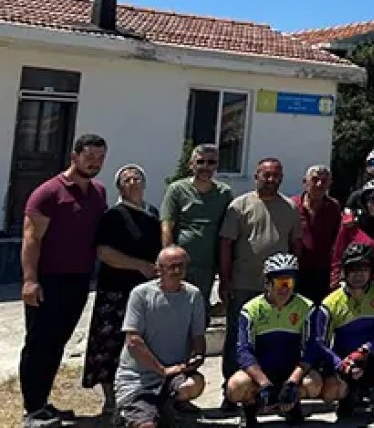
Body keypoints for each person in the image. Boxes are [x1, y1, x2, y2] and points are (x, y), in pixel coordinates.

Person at [20, 133, 108, 427]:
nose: (95, 163)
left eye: (100, 158)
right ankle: (31, 410)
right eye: (89, 156)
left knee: (57, 343)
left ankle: (43, 404)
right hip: (48, 281)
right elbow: (31, 239)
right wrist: (30, 280)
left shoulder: (98, 193)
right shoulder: (48, 193)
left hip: (79, 280)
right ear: (74, 156)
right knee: (38, 344)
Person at [218, 158, 303, 408]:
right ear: (256, 176)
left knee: (276, 338)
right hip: (245, 282)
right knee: (237, 338)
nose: (271, 179)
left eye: (276, 175)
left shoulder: (289, 207)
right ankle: (231, 391)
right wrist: (225, 279)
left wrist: (294, 279)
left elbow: (296, 243)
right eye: (266, 175)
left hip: (281, 288)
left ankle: (273, 391)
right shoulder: (240, 205)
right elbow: (226, 244)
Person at [83, 164, 163, 415]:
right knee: (111, 343)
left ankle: (142, 392)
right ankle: (110, 398)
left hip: (145, 290)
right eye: (126, 179)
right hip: (116, 289)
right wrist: (139, 266)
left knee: (142, 341)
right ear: (120, 186)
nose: (132, 182)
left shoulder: (152, 213)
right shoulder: (113, 215)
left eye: (136, 177)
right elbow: (104, 252)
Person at [311, 244, 374, 427]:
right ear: (344, 272)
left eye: (364, 268)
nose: (358, 274)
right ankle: (348, 397)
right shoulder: (330, 303)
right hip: (346, 362)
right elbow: (320, 342)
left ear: (372, 270)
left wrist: (366, 350)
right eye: (353, 269)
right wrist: (342, 364)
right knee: (330, 393)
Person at [113, 247, 207, 428]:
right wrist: (161, 370)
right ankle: (131, 413)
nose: (177, 271)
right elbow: (133, 341)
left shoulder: (193, 295)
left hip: (174, 374)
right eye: (171, 267)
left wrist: (198, 356)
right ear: (159, 269)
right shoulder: (141, 294)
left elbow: (197, 335)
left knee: (194, 384)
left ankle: (168, 406)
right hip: (139, 378)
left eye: (181, 266)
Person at [225, 253, 321, 426]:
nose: (284, 288)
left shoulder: (306, 307)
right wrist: (263, 383)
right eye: (279, 283)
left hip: (291, 370)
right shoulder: (251, 309)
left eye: (289, 282)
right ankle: (250, 409)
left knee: (314, 384)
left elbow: (312, 348)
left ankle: (291, 405)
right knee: (235, 387)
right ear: (267, 283)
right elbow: (243, 351)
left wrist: (292, 382)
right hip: (261, 371)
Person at [160, 143, 234, 308]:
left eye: (211, 162)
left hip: (208, 266)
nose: (205, 167)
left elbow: (228, 230)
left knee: (199, 311)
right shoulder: (177, 190)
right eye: (200, 162)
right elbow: (167, 225)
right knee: (174, 307)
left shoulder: (224, 193)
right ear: (191, 164)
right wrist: (169, 261)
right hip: (181, 264)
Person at [292, 165, 343, 303]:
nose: (319, 184)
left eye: (324, 181)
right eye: (315, 180)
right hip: (295, 271)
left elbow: (338, 241)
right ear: (305, 182)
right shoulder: (292, 205)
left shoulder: (333, 207)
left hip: (322, 273)